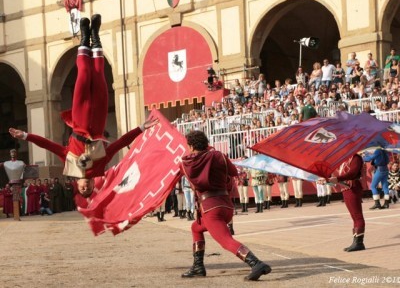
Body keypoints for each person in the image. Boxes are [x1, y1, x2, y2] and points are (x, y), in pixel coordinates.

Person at [8, 14, 158, 198]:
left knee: (85, 74)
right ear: (93, 184)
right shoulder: (101, 166)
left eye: (82, 189)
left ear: (77, 184)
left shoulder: (69, 164)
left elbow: (48, 145)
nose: (85, 187)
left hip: (80, 119)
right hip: (99, 119)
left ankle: (84, 36)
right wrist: (141, 128)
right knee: (98, 74)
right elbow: (120, 143)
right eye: (88, 189)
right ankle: (95, 35)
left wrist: (25, 135)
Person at [180, 131, 271, 281]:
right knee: (196, 227)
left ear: (190, 146)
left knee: (226, 241)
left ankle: (256, 263)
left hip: (210, 208)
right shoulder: (218, 155)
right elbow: (234, 172)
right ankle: (198, 266)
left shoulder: (186, 163)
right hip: (226, 206)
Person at [322, 154, 366, 252]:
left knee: (357, 215)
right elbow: (338, 175)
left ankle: (359, 243)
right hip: (346, 188)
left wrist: (337, 179)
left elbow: (352, 173)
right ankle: (356, 241)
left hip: (353, 187)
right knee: (354, 216)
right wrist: (326, 180)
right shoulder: (344, 158)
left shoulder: (356, 158)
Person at [0, 149, 25, 220]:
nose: (13, 154)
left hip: (17, 182)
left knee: (17, 199)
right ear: (10, 154)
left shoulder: (21, 162)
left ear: (16, 153)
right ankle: (16, 216)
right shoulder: (6, 163)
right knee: (14, 200)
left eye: (14, 152)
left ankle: (17, 216)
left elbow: (27, 169)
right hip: (12, 181)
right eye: (11, 152)